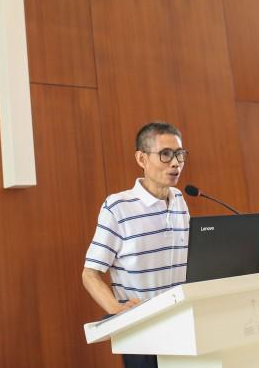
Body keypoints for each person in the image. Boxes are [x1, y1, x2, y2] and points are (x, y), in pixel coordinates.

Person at [82, 122, 190, 368]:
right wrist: (115, 309)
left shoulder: (180, 200)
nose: (175, 163)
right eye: (165, 154)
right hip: (142, 332)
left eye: (179, 155)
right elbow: (90, 274)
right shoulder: (117, 207)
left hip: (183, 325)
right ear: (142, 159)